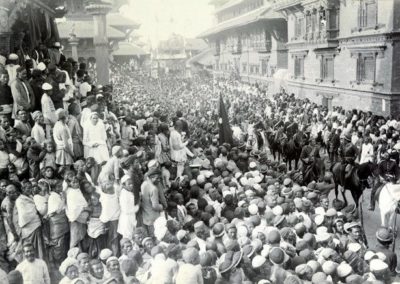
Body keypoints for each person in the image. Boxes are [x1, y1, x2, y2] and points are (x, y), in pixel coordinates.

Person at [140, 167, 164, 236]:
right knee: (155, 236)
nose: (159, 180)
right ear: (152, 177)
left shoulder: (144, 184)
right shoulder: (154, 189)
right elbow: (155, 206)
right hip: (153, 217)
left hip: (145, 216)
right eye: (157, 178)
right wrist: (162, 206)